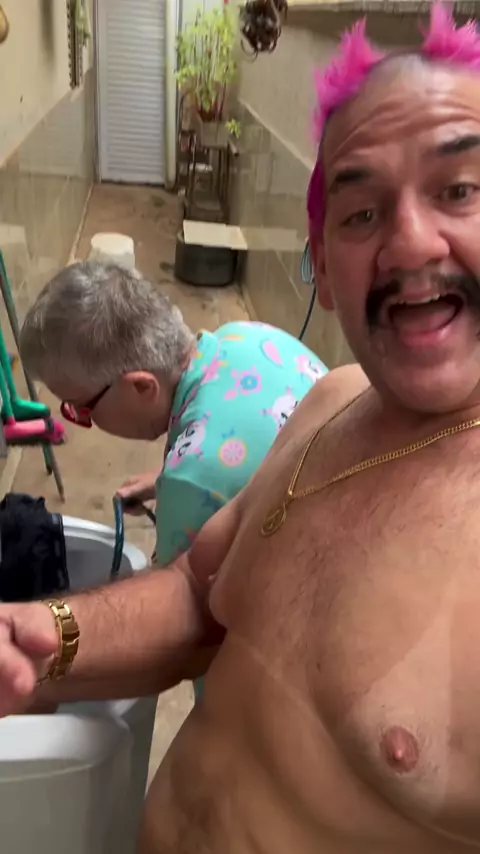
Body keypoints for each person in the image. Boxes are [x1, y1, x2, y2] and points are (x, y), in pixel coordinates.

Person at [2, 4, 480, 851]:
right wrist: (53, 635)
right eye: (362, 211)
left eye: (460, 189)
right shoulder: (332, 403)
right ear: (322, 263)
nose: (410, 242)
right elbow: (199, 594)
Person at [20, 260, 327, 571]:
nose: (85, 421)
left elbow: (178, 594)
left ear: (141, 387)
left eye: (81, 409)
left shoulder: (192, 481)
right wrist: (170, 476)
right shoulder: (246, 334)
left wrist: (184, 488)